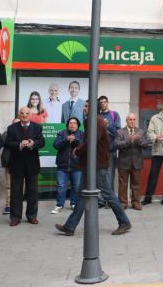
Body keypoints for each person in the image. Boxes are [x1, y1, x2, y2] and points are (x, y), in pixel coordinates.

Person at [55, 104, 131, 236]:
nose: (84, 108)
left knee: (108, 194)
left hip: (97, 164)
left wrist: (77, 150)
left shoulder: (95, 121)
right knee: (81, 194)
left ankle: (124, 222)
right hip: (90, 164)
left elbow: (91, 141)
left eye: (86, 106)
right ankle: (70, 226)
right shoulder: (94, 120)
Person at [5, 107, 45, 226]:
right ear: (19, 114)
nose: (24, 115)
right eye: (22, 113)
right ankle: (15, 217)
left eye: (27, 113)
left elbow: (42, 142)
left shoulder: (37, 127)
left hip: (32, 164)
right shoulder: (12, 128)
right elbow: (7, 143)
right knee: (16, 192)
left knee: (32, 192)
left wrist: (33, 144)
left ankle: (32, 216)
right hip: (16, 164)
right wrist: (19, 144)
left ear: (30, 115)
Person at [115, 113, 149, 210]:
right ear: (126, 121)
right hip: (123, 162)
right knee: (123, 184)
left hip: (136, 162)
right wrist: (129, 140)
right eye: (130, 119)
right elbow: (117, 144)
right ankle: (123, 203)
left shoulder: (141, 132)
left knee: (136, 184)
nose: (132, 121)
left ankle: (136, 202)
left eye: (134, 119)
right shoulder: (120, 132)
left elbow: (146, 144)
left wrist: (138, 141)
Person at [51, 117, 84, 213]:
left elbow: (83, 147)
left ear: (77, 125)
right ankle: (59, 205)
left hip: (77, 165)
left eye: (74, 123)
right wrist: (66, 140)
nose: (72, 125)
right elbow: (55, 145)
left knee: (76, 186)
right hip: (62, 165)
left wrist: (75, 140)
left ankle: (73, 203)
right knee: (61, 186)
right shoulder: (62, 133)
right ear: (67, 125)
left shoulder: (81, 134)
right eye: (70, 123)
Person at [98, 96, 121, 195]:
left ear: (108, 103)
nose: (103, 103)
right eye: (101, 102)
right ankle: (101, 200)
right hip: (98, 151)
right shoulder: (97, 115)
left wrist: (108, 125)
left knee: (110, 175)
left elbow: (118, 132)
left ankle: (109, 200)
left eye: (105, 102)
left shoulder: (114, 114)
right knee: (99, 175)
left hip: (110, 150)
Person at [0, 119, 20, 215]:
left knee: (21, 186)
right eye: (15, 123)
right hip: (9, 162)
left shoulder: (26, 132)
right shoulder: (6, 133)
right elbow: (2, 142)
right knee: (9, 185)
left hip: (21, 164)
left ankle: (17, 205)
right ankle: (8, 206)